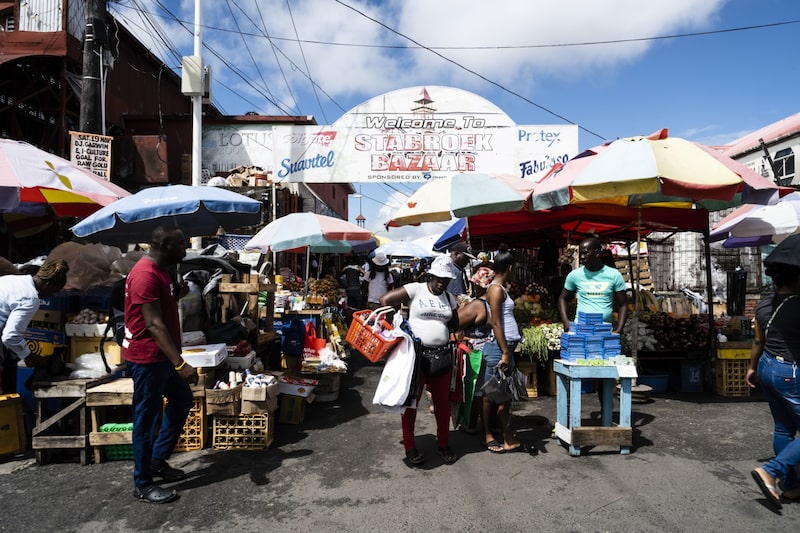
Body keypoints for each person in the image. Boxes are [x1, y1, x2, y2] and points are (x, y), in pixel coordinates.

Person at [124, 226, 199, 504]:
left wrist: (174, 293)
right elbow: (154, 325)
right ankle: (142, 484)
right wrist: (181, 364)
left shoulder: (162, 271)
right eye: (181, 243)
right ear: (165, 245)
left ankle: (157, 458)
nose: (185, 247)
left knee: (181, 399)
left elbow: (161, 309)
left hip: (161, 358)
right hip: (148, 358)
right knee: (146, 419)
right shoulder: (145, 275)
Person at [380, 255, 459, 465]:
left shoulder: (450, 298)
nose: (442, 282)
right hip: (417, 356)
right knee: (411, 402)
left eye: (447, 279)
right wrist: (393, 330)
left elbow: (456, 323)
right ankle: (410, 446)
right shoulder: (415, 289)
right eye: (439, 278)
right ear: (431, 275)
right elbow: (385, 300)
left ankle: (443, 443)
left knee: (442, 404)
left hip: (442, 356)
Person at [746, 234, 800, 509]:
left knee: (783, 428)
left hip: (767, 366)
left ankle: (791, 487)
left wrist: (752, 367)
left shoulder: (765, 303)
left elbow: (758, 340)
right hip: (791, 372)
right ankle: (773, 471)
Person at [481, 246, 527, 453]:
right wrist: (505, 352)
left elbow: (492, 319)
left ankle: (504, 435)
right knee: (491, 394)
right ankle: (489, 435)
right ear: (510, 267)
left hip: (504, 345)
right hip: (500, 348)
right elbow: (497, 323)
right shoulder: (497, 289)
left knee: (503, 393)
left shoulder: (499, 288)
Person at [0, 260, 69, 394]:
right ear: (48, 284)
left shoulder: (10, 280)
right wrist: (29, 355)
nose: (50, 296)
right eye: (52, 292)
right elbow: (10, 336)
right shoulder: (29, 297)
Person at [455, 265, 496, 434]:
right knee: (486, 388)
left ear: (479, 285)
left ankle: (471, 424)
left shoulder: (477, 305)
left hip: (475, 350)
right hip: (490, 347)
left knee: (474, 389)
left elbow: (455, 324)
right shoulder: (494, 303)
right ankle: (488, 423)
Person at [558, 238, 628, 334]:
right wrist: (566, 322)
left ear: (597, 253)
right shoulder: (574, 275)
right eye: (580, 253)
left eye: (585, 253)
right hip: (581, 330)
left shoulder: (614, 275)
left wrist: (619, 329)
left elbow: (623, 304)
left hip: (604, 331)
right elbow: (563, 298)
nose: (582, 257)